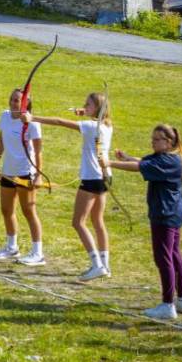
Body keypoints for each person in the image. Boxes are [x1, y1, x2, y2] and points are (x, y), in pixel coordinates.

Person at [22, 92, 112, 280]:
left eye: (88, 104)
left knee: (78, 222)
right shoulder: (107, 126)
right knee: (98, 221)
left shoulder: (90, 127)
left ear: (97, 108)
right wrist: (84, 112)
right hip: (104, 178)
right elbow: (93, 119)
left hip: (91, 179)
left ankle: (97, 265)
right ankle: (105, 265)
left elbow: (59, 122)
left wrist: (32, 118)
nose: (84, 106)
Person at [108, 124, 182, 321]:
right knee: (174, 254)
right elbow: (144, 162)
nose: (152, 142)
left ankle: (167, 305)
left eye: (156, 139)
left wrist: (109, 163)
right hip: (172, 213)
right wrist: (127, 157)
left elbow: (140, 168)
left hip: (164, 214)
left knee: (164, 258)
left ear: (168, 142)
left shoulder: (168, 161)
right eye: (152, 138)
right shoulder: (167, 158)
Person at [0, 88, 45, 265]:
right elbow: (1, 140)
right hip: (8, 171)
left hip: (25, 172)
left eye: (18, 101)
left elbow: (38, 151)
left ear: (26, 104)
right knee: (6, 210)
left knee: (28, 211)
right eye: (12, 99)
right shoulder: (5, 116)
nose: (13, 103)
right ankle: (11, 247)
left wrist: (38, 175)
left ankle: (38, 253)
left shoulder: (32, 123)